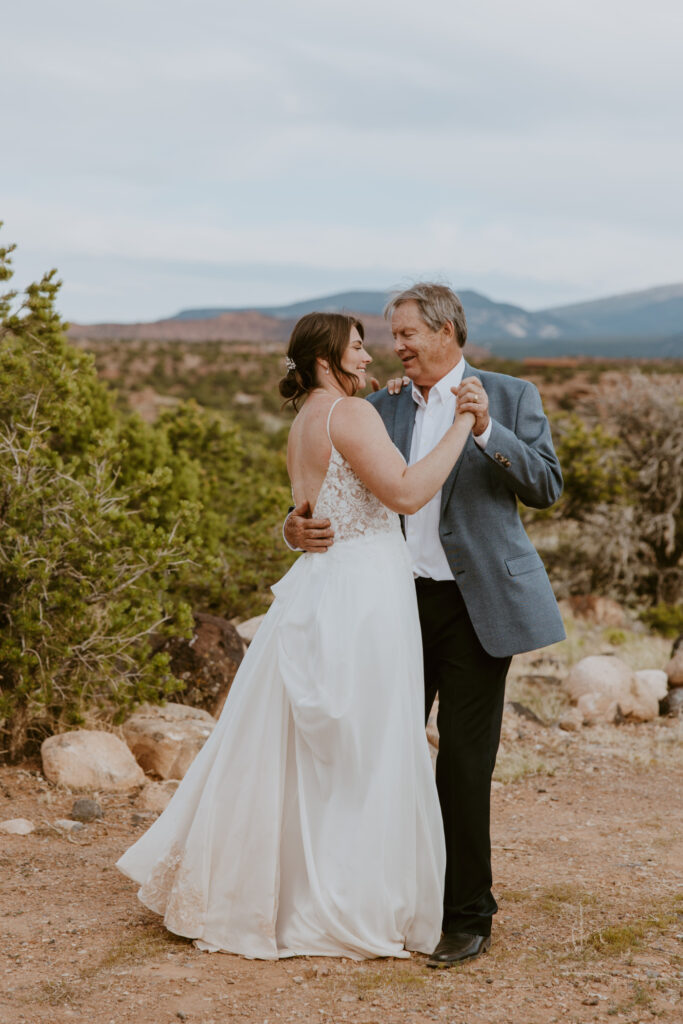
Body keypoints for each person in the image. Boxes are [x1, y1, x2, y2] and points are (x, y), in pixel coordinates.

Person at [116, 311, 476, 960]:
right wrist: (460, 428)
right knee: (360, 745)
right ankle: (344, 896)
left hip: (319, 583)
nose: (368, 358)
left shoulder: (306, 418)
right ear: (323, 360)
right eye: (358, 348)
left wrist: (290, 527)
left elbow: (310, 509)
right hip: (363, 592)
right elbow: (404, 494)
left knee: (304, 749)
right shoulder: (351, 416)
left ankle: (273, 890)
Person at [285, 283, 566, 967]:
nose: (396, 347)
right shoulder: (370, 405)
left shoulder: (509, 395)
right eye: (391, 336)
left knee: (463, 767)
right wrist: (293, 526)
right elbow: (330, 487)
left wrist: (485, 432)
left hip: (476, 611)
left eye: (407, 334)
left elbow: (547, 487)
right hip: (388, 607)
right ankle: (377, 897)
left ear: (446, 332)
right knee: (377, 754)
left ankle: (466, 915)